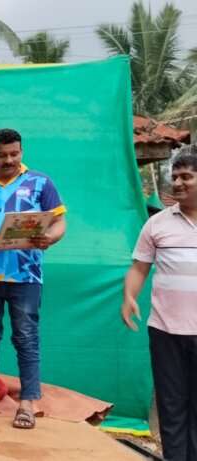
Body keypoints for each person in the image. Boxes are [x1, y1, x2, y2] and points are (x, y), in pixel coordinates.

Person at [0, 128, 66, 429]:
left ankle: (27, 403)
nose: (9, 160)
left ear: (21, 152)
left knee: (26, 337)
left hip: (26, 275)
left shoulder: (41, 183)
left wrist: (50, 238)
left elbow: (59, 222)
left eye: (14, 154)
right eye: (2, 155)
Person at [122, 154, 197, 460]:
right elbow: (139, 268)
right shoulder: (157, 224)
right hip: (165, 330)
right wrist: (129, 297)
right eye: (175, 177)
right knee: (171, 403)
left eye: (186, 177)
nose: (177, 183)